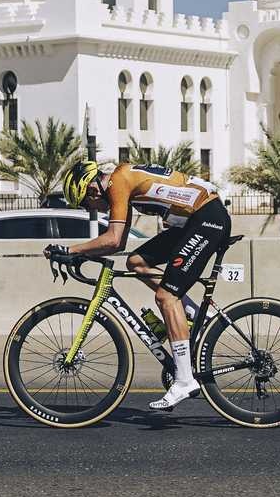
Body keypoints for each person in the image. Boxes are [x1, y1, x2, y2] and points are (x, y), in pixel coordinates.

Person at [53, 158, 229, 412]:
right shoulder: (123, 182)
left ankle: (184, 381)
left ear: (91, 190)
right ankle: (196, 314)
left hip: (207, 218)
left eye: (87, 204)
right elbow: (121, 244)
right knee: (136, 262)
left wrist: (70, 250)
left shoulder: (118, 183)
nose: (94, 209)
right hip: (197, 219)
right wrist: (80, 253)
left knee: (166, 297)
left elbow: (112, 241)